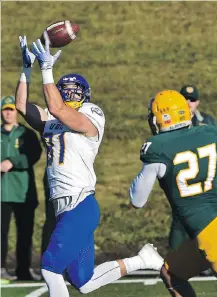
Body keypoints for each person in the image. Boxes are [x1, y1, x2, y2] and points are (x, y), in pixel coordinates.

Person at [15, 36, 164, 296]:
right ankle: (142, 260)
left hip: (80, 204)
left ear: (85, 95)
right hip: (63, 206)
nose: (71, 93)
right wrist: (26, 69)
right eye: (66, 89)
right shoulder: (51, 119)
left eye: (76, 90)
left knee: (50, 268)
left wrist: (47, 69)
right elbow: (21, 106)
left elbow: (58, 109)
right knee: (83, 281)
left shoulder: (91, 114)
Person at [130, 90, 217, 296]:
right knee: (170, 273)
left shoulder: (157, 148)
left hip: (213, 236)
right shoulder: (208, 132)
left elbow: (137, 200)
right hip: (214, 227)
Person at [1, 95, 42, 281]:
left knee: (25, 233)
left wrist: (13, 161)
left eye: (11, 109)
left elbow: (34, 154)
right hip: (2, 192)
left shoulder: (27, 134)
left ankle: (23, 270)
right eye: (5, 109)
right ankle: (1, 268)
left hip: (23, 191)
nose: (8, 113)